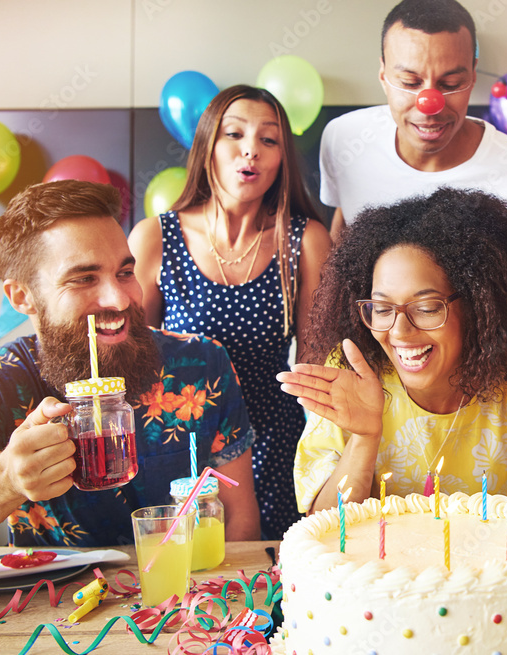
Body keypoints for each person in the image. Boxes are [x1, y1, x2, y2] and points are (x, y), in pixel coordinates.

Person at [0, 180, 260, 557]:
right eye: (84, 278)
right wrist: (6, 479)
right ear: (22, 297)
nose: (119, 300)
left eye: (124, 272)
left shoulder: (202, 363)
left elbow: (240, 519)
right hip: (50, 610)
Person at [279, 187, 507, 518]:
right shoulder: (352, 372)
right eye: (382, 309)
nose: (399, 331)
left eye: (427, 307)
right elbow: (321, 525)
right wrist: (364, 439)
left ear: (478, 307)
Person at [129, 85, 331, 540]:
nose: (250, 151)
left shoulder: (304, 240)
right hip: (184, 445)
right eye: (234, 134)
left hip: (275, 441)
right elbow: (128, 357)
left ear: (281, 158)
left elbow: (317, 366)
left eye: (269, 140)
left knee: (269, 587)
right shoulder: (154, 238)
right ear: (208, 148)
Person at [318, 0, 507, 270]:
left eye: (450, 84)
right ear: (383, 75)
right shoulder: (343, 138)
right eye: (410, 83)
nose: (430, 104)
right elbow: (344, 224)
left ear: (473, 75)